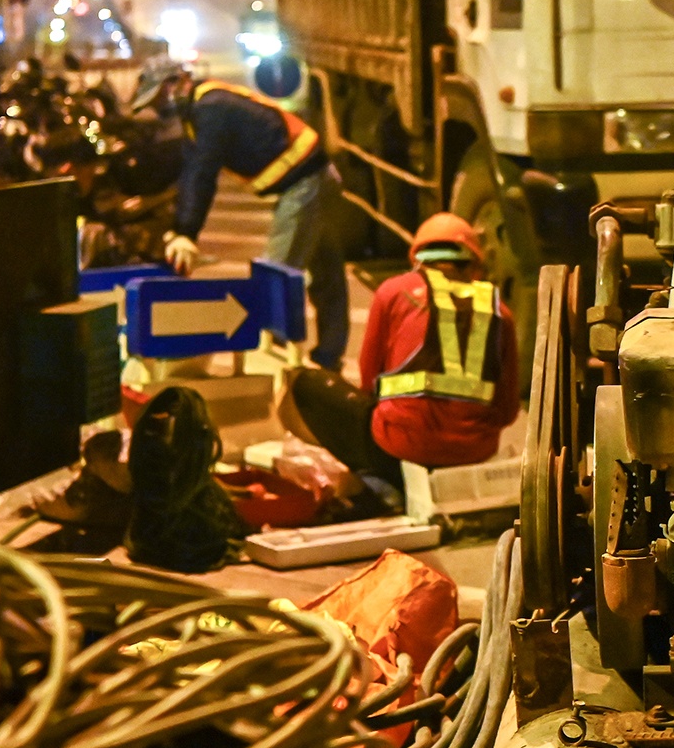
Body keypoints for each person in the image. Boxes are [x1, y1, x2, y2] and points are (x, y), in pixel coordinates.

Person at [280, 213, 518, 488]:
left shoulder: (393, 292)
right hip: (473, 454)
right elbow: (508, 410)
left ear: (418, 259)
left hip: (399, 451)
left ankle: (376, 480)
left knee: (305, 383)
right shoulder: (500, 312)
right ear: (474, 264)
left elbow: (370, 382)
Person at [137, 61, 349, 370]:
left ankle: (277, 367)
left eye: (157, 98)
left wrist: (186, 232)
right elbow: (190, 170)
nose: (158, 108)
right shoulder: (203, 107)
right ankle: (329, 358)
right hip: (315, 176)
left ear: (176, 82)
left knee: (276, 278)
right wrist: (179, 227)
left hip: (306, 183)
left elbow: (203, 171)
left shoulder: (210, 108)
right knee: (326, 275)